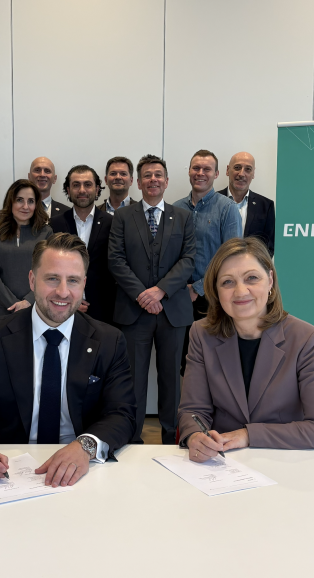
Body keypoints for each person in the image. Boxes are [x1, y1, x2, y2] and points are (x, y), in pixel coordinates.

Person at [0, 233, 137, 486]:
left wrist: (84, 446)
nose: (63, 291)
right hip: (7, 470)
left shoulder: (109, 340)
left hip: (83, 470)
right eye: (52, 279)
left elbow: (122, 414)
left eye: (73, 280)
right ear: (32, 280)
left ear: (84, 284)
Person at [178, 237, 314, 459]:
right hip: (224, 465)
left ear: (270, 280)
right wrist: (195, 435)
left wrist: (248, 435)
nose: (241, 291)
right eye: (227, 282)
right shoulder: (201, 333)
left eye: (251, 278)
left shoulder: (306, 339)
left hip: (285, 462)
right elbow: (193, 411)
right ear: (215, 291)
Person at [108, 154, 195, 444]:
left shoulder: (183, 216)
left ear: (167, 181)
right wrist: (142, 295)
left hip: (173, 311)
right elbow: (116, 260)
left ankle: (172, 437)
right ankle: (132, 438)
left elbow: (189, 259)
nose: (153, 179)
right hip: (133, 312)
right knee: (133, 381)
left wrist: (160, 291)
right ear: (139, 181)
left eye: (158, 175)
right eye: (147, 175)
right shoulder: (122, 216)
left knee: (172, 380)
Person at [174, 149, 242, 376]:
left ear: (216, 174)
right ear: (189, 171)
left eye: (206, 169)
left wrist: (199, 287)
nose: (200, 173)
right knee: (184, 361)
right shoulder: (175, 208)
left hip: (213, 298)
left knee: (214, 362)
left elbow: (232, 257)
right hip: (177, 298)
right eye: (196, 168)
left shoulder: (227, 208)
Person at [49, 165, 116, 324]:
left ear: (97, 188)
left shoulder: (112, 223)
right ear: (68, 189)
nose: (82, 190)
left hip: (103, 309)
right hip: (63, 305)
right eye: (76, 184)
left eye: (87, 184)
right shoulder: (54, 224)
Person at [0, 179, 52, 317]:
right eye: (19, 200)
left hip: (36, 308)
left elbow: (50, 272)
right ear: (11, 202)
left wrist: (28, 301)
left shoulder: (46, 233)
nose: (25, 206)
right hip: (3, 309)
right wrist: (13, 304)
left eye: (31, 201)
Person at [219, 152, 275, 256]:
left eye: (248, 169)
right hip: (218, 269)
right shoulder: (212, 202)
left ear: (253, 173)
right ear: (227, 170)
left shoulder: (266, 206)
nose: (241, 174)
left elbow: (269, 248)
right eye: (237, 167)